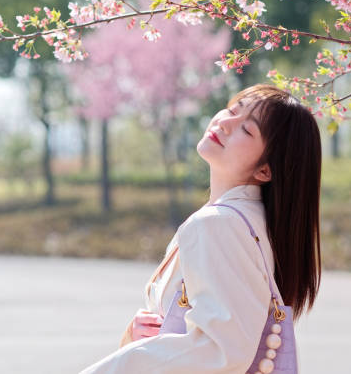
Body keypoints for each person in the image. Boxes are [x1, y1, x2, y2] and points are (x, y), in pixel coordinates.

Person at [80, 83, 322, 373]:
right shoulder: (253, 224)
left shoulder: (219, 224)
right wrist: (138, 335)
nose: (226, 122)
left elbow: (220, 351)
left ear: (265, 170)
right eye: (232, 110)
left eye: (247, 129)